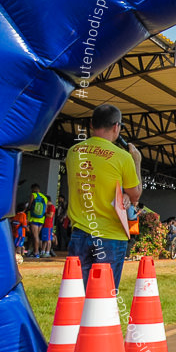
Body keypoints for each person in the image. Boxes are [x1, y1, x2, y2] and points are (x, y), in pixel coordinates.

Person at [65, 103, 142, 289]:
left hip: (80, 233)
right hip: (111, 236)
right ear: (116, 127)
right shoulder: (123, 157)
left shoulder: (73, 152)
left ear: (91, 125)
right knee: (103, 298)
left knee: (76, 295)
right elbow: (135, 194)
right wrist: (137, 162)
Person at [27, 184, 49, 257]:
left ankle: (36, 253)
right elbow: (45, 210)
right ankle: (33, 251)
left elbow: (30, 206)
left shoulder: (33, 195)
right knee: (35, 236)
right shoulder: (44, 197)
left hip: (33, 218)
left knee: (35, 236)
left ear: (33, 189)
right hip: (41, 219)